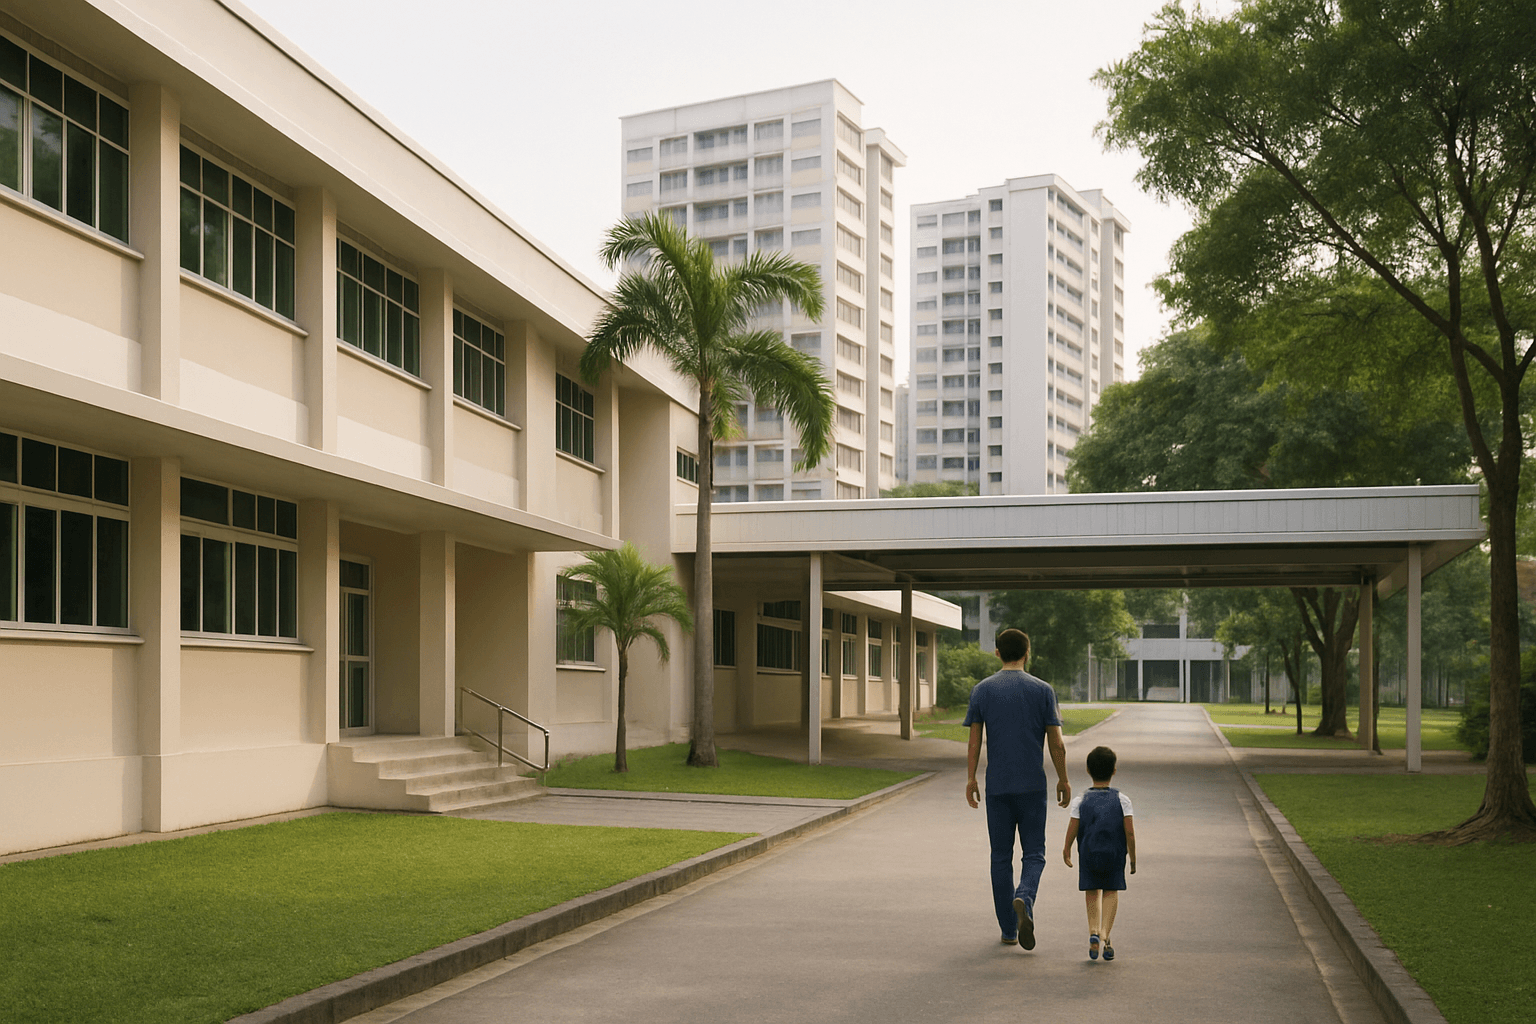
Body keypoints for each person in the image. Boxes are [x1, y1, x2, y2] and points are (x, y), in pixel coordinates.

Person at [964, 628, 1071, 950]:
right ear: (1028, 652)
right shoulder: (1043, 690)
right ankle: (1024, 895)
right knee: (1035, 853)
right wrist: (1063, 779)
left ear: (997, 652)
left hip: (997, 787)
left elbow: (974, 741)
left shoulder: (982, 690)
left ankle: (1009, 930)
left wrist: (971, 778)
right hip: (1032, 787)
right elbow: (1057, 742)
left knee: (1000, 857)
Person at [1062, 745, 1136, 962]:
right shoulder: (1123, 800)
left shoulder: (1080, 800)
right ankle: (1104, 935)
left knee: (1092, 891)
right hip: (1114, 853)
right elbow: (1129, 832)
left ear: (1087, 770)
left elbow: (1073, 828)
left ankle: (1093, 931)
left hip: (1088, 853)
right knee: (1111, 891)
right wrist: (1132, 858)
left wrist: (1066, 848)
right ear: (1114, 770)